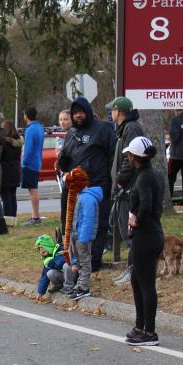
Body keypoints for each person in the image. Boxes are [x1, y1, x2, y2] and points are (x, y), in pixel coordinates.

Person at [58, 97, 116, 271]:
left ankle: (94, 261)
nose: (78, 116)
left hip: (97, 184)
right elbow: (65, 161)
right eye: (75, 113)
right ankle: (75, 259)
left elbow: (113, 156)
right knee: (74, 224)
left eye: (81, 112)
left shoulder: (103, 129)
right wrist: (62, 158)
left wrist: (111, 181)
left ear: (88, 112)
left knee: (96, 225)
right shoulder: (72, 133)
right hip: (75, 186)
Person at [124, 136, 165, 346]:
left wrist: (136, 220)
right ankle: (140, 326)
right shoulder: (155, 174)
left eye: (129, 155)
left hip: (146, 236)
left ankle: (150, 332)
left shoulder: (144, 178)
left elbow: (147, 205)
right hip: (153, 234)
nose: (127, 158)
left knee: (146, 285)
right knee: (136, 281)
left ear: (134, 157)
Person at [108, 96, 146, 286]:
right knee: (125, 230)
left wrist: (120, 181)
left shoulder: (130, 129)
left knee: (130, 232)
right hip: (126, 188)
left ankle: (137, 271)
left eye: (112, 110)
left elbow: (129, 159)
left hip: (129, 189)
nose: (111, 113)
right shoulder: (125, 129)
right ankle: (133, 267)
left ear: (119, 111)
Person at [66, 171, 103, 300]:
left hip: (82, 237)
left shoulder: (87, 198)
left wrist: (83, 238)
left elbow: (88, 219)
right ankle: (79, 285)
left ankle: (84, 287)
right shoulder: (81, 196)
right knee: (80, 262)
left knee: (85, 261)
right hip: (78, 235)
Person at [20, 107, 44, 226]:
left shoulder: (30, 129)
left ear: (26, 116)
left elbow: (28, 149)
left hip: (30, 163)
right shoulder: (39, 127)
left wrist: (24, 162)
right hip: (37, 161)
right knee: (33, 189)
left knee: (32, 190)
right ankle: (35, 215)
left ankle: (35, 217)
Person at [0, 119, 22, 226]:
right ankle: (13, 220)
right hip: (15, 171)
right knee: (12, 197)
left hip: (5, 172)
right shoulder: (18, 142)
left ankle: (7, 221)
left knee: (6, 198)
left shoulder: (4, 143)